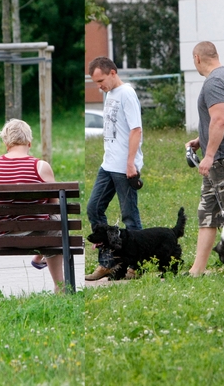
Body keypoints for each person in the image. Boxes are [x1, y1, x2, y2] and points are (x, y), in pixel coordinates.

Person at [185, 41, 224, 276]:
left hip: (223, 160)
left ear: (197, 58)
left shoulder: (214, 82)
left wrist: (209, 154)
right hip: (219, 160)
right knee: (207, 216)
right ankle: (197, 270)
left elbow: (219, 120)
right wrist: (201, 141)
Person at [0, 118, 64, 292]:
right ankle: (60, 284)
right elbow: (54, 205)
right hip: (35, 236)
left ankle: (39, 258)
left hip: (0, 237)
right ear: (29, 142)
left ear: (6, 143)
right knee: (57, 219)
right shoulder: (41, 166)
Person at [85, 56, 144, 281]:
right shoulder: (110, 94)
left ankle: (135, 265)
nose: (99, 86)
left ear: (112, 72)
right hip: (108, 164)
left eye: (101, 80)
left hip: (124, 166)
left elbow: (136, 130)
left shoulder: (127, 93)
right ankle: (108, 262)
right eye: (95, 82)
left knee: (130, 215)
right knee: (93, 208)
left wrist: (131, 163)